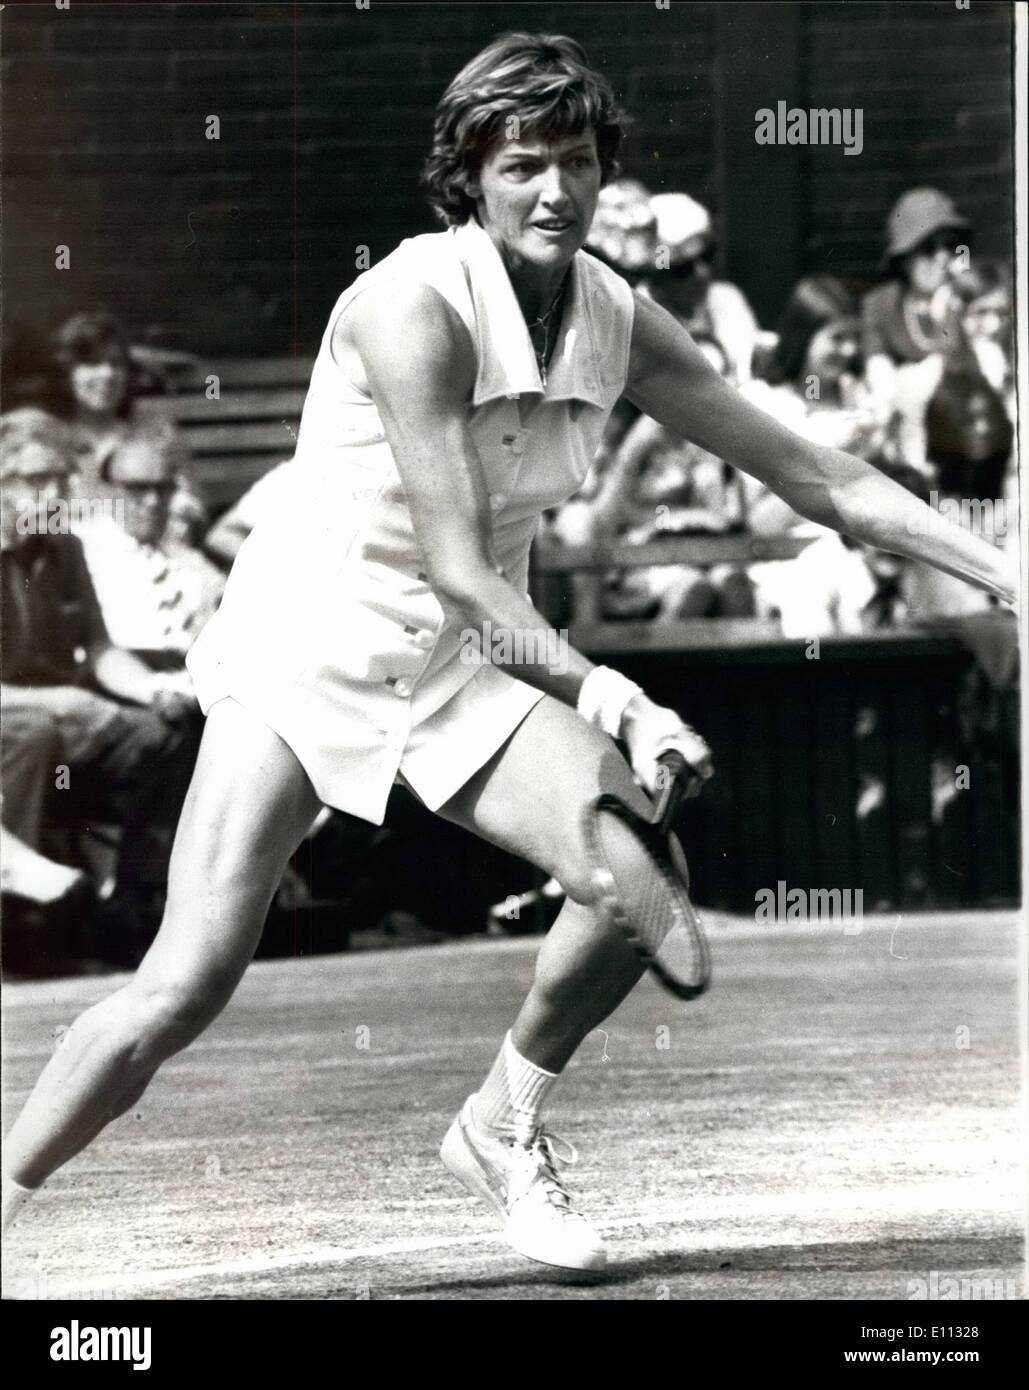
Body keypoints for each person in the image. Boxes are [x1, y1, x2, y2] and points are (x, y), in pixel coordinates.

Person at [2, 33, 1015, 1276]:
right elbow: (460, 568)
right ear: (468, 180)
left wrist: (1009, 577)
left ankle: (500, 1124)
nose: (556, 191)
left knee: (639, 868)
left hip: (462, 662)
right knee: (185, 984)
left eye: (578, 162)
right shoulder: (407, 308)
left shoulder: (616, 317)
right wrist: (613, 690)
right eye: (524, 163)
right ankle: (6, 1188)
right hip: (309, 644)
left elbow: (821, 477)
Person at [0, 410, 199, 950]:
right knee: (33, 733)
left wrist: (154, 691)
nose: (57, 493)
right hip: (22, 721)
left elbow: (104, 649)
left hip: (72, 717)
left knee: (170, 729)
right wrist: (57, 700)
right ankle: (18, 915)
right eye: (38, 480)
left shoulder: (65, 548)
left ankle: (132, 907)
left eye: (64, 478)